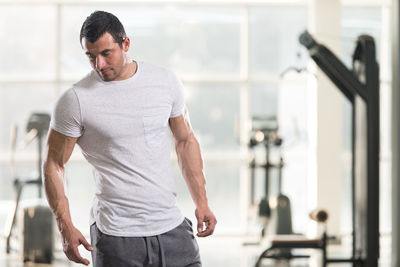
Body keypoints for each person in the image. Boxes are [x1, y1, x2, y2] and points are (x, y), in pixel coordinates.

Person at [42, 10, 217, 267]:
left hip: (172, 228)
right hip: (116, 236)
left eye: (106, 54)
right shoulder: (75, 100)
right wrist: (65, 226)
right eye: (90, 56)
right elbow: (54, 164)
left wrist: (202, 201)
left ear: (125, 44)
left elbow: (185, 140)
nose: (99, 64)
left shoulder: (165, 82)